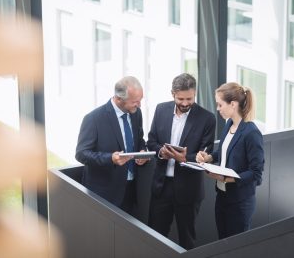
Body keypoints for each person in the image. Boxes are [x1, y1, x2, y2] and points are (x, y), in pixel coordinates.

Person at [147, 73, 216, 250]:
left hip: (188, 190)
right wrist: (161, 152)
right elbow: (151, 141)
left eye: (189, 98)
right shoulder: (161, 109)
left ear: (195, 94)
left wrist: (185, 158)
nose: (185, 103)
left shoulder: (207, 118)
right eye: (180, 99)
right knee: (154, 236)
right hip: (161, 187)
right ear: (172, 94)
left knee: (187, 240)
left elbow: (205, 154)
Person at [196, 82, 264, 239]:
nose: (218, 109)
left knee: (235, 250)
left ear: (233, 104)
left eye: (220, 105)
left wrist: (227, 178)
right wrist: (209, 157)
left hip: (240, 203)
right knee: (222, 244)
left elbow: (256, 174)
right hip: (222, 196)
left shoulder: (251, 133)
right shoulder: (228, 125)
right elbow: (223, 152)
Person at [75, 76, 148, 215]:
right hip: (105, 193)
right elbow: (81, 153)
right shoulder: (93, 119)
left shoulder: (136, 113)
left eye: (140, 100)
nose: (139, 105)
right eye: (135, 102)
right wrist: (110, 158)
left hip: (131, 189)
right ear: (119, 99)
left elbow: (139, 140)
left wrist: (142, 151)